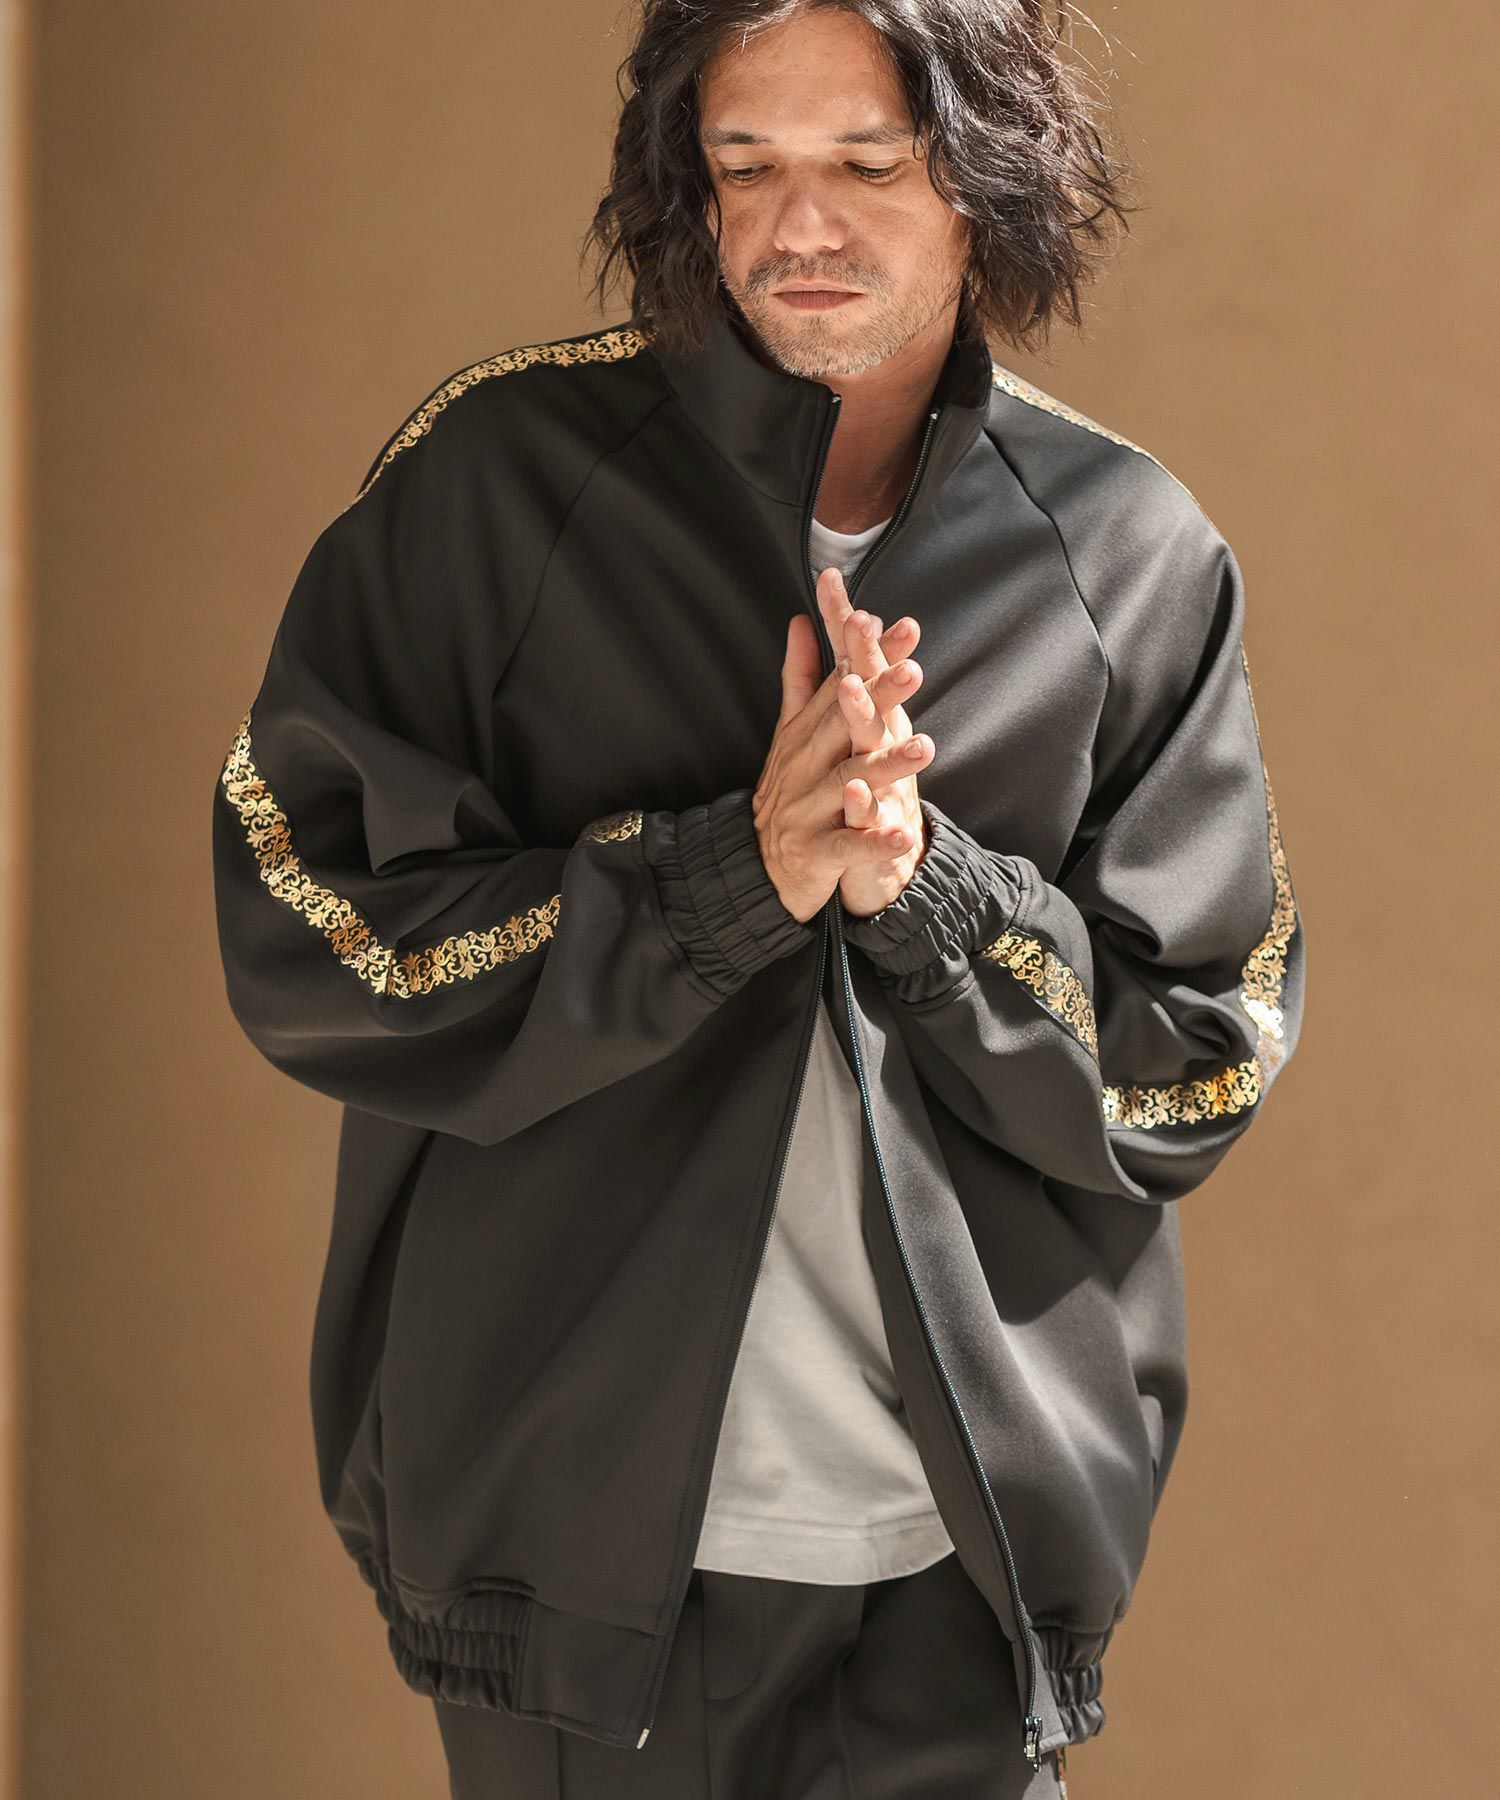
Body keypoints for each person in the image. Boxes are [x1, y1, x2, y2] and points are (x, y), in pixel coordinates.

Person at [210, 1, 1307, 1795]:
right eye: (748, 164)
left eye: (868, 165)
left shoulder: (1129, 552)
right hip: (576, 1575)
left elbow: (1197, 1062)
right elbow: (301, 930)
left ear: (983, 179)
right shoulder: (499, 487)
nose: (802, 225)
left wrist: (931, 896)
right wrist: (732, 878)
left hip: (965, 1589)